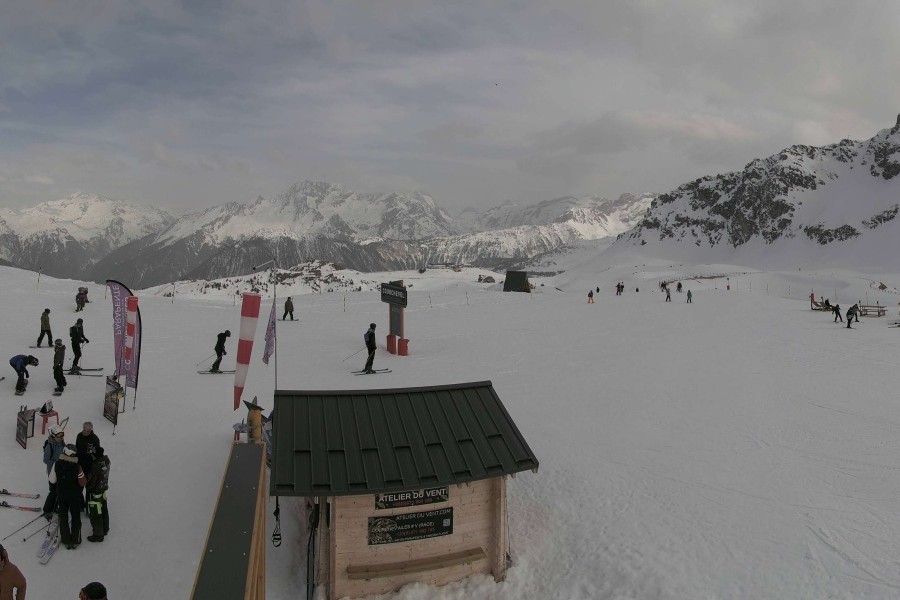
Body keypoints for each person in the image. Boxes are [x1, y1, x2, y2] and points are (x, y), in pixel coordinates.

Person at [51, 444, 86, 550]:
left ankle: (65, 540)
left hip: (62, 495)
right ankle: (76, 540)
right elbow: (83, 482)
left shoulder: (56, 464)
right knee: (76, 517)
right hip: (74, 496)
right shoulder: (77, 467)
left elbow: (52, 480)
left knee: (63, 517)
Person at [86, 447, 110, 543]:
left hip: (95, 493)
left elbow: (91, 483)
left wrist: (87, 485)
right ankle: (105, 529)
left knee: (95, 515)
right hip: (103, 490)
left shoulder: (95, 466)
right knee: (104, 510)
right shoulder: (106, 461)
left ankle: (98, 535)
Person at [42, 424, 66, 517]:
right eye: (58, 436)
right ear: (53, 436)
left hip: (61, 471)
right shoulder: (50, 446)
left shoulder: (62, 443)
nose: (60, 437)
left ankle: (55, 507)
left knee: (59, 491)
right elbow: (45, 460)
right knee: (53, 492)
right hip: (52, 472)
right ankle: (47, 510)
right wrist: (56, 464)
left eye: (62, 435)